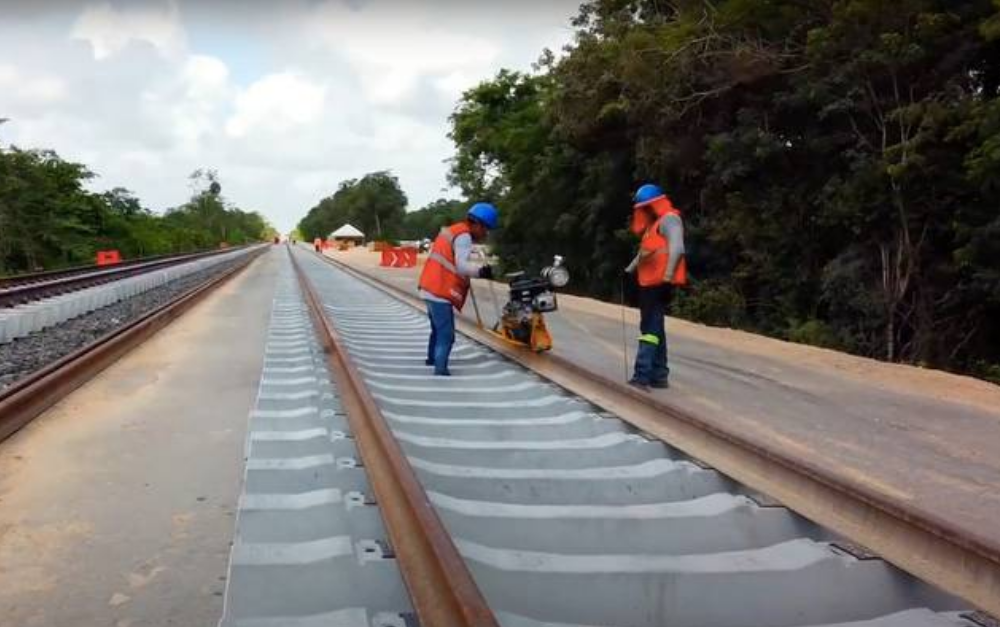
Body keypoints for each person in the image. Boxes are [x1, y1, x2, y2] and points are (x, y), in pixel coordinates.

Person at [418, 202, 498, 376]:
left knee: (437, 329)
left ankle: (432, 358)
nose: (486, 234)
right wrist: (482, 271)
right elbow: (461, 266)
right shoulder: (464, 236)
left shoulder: (453, 230)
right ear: (477, 224)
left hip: (429, 286)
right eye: (486, 229)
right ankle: (440, 370)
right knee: (446, 335)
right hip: (439, 290)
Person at [624, 183, 687, 390]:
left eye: (646, 207)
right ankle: (659, 375)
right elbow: (645, 253)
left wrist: (667, 277)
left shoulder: (670, 220)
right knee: (655, 327)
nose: (644, 211)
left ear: (655, 205)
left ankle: (642, 375)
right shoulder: (653, 226)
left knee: (649, 329)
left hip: (660, 283)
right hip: (648, 283)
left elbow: (678, 248)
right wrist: (629, 270)